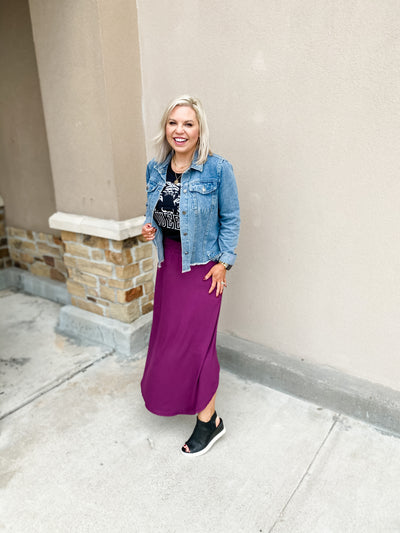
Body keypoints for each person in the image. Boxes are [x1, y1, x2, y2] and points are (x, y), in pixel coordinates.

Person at [141, 95, 240, 456]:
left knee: (199, 346)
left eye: (188, 123)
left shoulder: (217, 169)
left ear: (199, 130)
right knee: (170, 343)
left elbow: (230, 218)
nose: (179, 130)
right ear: (165, 128)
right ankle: (183, 402)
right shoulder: (155, 168)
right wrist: (150, 228)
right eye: (173, 123)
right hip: (170, 266)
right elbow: (157, 211)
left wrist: (223, 262)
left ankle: (208, 421)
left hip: (203, 270)